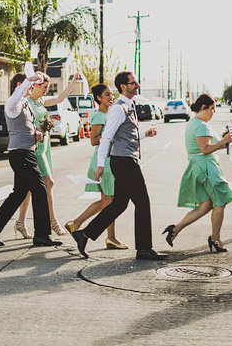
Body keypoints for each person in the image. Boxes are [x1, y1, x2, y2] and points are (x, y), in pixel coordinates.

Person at [71, 71, 166, 260]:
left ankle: (84, 234)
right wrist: (100, 165)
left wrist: (145, 135)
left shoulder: (129, 106)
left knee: (119, 204)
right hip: (123, 161)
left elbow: (125, 135)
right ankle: (144, 248)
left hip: (125, 159)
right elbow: (106, 137)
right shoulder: (118, 109)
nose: (137, 85)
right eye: (133, 83)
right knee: (143, 202)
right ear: (123, 86)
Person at [0, 73, 62, 248]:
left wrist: (36, 133)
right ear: (20, 85)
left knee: (19, 194)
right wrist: (28, 80)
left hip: (26, 152)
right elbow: (17, 96)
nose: (33, 86)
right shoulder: (12, 104)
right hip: (20, 154)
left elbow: (26, 126)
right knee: (40, 190)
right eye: (30, 84)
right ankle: (42, 235)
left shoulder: (26, 104)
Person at [162, 94, 232, 253]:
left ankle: (175, 229)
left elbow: (207, 147)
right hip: (206, 167)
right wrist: (224, 142)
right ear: (203, 107)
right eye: (212, 108)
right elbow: (205, 149)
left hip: (198, 165)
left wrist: (226, 143)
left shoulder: (193, 122)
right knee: (220, 201)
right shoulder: (201, 125)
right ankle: (215, 239)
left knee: (206, 205)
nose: (213, 112)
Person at [15, 71, 83, 238]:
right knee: (48, 183)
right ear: (36, 85)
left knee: (30, 188)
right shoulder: (27, 102)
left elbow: (60, 98)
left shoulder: (39, 101)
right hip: (34, 146)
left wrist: (73, 82)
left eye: (47, 87)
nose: (46, 90)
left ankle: (20, 222)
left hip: (44, 146)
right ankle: (53, 222)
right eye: (44, 87)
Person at [64, 83, 126, 249]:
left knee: (106, 201)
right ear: (99, 98)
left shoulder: (110, 114)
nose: (111, 97)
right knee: (110, 202)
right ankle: (110, 237)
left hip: (108, 160)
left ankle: (75, 224)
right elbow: (93, 140)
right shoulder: (100, 116)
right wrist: (110, 135)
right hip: (103, 162)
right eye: (107, 94)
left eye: (111, 94)